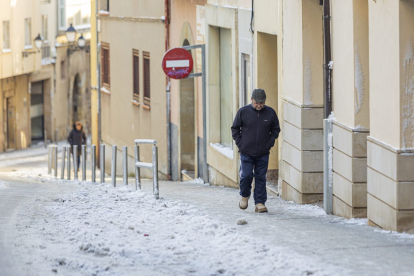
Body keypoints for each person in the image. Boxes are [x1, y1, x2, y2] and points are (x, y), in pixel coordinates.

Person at [231, 89, 281, 213]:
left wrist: (269, 143)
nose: (259, 105)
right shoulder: (243, 112)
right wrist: (240, 143)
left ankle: (259, 203)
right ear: (252, 99)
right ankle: (244, 195)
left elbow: (276, 129)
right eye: (257, 103)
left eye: (262, 103)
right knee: (246, 175)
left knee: (260, 177)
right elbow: (235, 128)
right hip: (246, 151)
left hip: (263, 152)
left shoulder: (270, 113)